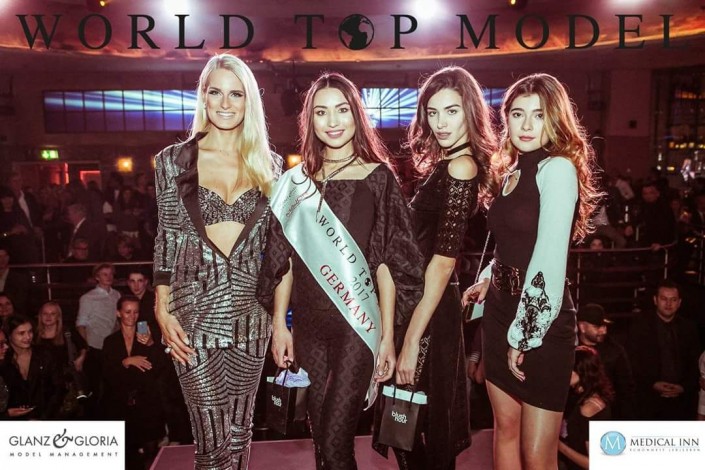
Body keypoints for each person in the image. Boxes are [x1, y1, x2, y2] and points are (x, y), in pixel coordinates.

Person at [259, 72, 424, 470]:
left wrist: (387, 337)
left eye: (342, 110)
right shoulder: (295, 184)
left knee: (335, 442)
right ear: (310, 120)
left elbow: (387, 265)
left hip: (357, 326)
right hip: (308, 327)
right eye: (321, 112)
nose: (332, 121)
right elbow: (284, 261)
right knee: (322, 442)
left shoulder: (378, 178)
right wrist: (280, 326)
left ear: (356, 115)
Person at [462, 73, 600, 469]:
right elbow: (511, 243)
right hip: (499, 309)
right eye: (517, 114)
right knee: (504, 433)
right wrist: (487, 279)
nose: (525, 125)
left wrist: (525, 334)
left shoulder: (557, 168)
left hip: (542, 321)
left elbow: (549, 257)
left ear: (554, 119)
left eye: (538, 115)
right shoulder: (511, 171)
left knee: (538, 456)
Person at [153, 53, 280, 470]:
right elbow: (167, 237)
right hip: (193, 314)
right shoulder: (173, 161)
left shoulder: (270, 165)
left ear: (249, 101)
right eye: (216, 92)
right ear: (203, 98)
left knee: (240, 433)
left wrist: (282, 320)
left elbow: (278, 251)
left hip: (251, 316)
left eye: (236, 94)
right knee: (210, 440)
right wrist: (161, 305)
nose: (226, 103)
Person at [390, 66, 498, 469]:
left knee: (414, 425)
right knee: (406, 424)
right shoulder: (447, 163)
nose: (440, 123)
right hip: (423, 305)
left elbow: (442, 262)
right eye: (432, 113)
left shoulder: (461, 167)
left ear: (469, 111)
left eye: (451, 111)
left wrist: (412, 339)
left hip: (431, 313)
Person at [103, 296, 166, 470]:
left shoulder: (147, 335)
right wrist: (126, 361)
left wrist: (152, 344)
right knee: (126, 453)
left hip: (147, 401)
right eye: (127, 312)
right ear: (118, 313)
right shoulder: (111, 341)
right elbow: (106, 373)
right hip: (121, 404)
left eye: (136, 312)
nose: (132, 316)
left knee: (151, 452)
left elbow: (161, 366)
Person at [626, 279, 700, 420]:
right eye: (664, 299)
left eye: (673, 300)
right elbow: (632, 361)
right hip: (648, 402)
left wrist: (683, 387)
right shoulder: (639, 326)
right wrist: (653, 384)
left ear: (679, 302)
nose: (668, 303)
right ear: (655, 300)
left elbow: (695, 363)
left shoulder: (689, 328)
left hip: (682, 403)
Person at [558, 346, 614, 470]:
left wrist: (558, 445)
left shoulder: (590, 408)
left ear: (581, 371)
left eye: (569, 369)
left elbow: (593, 464)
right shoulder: (585, 396)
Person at [575, 303, 635, 419]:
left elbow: (626, 390)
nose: (603, 331)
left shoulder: (615, 351)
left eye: (604, 326)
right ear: (582, 327)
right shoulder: (570, 351)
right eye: (597, 327)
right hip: (575, 416)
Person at [0, 314, 64, 419]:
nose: (28, 337)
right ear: (9, 335)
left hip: (46, 416)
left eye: (30, 331)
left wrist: (44, 418)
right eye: (21, 333)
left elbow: (58, 388)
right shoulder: (4, 360)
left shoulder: (45, 355)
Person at [35, 301, 90, 414]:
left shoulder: (67, 332)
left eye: (52, 313)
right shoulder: (34, 333)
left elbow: (83, 345)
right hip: (42, 381)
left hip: (64, 380)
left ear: (58, 316)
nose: (48, 317)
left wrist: (81, 359)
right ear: (40, 315)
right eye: (45, 313)